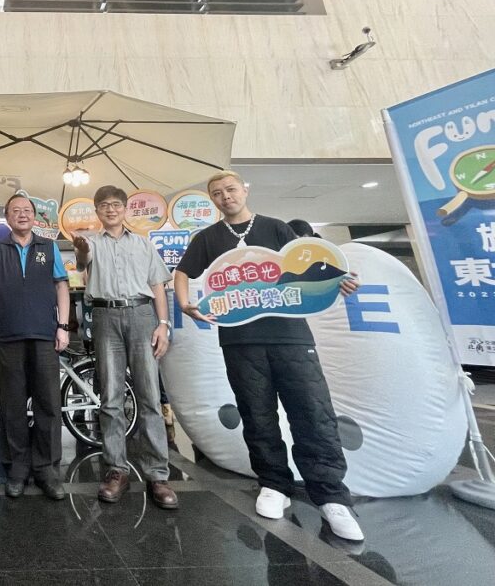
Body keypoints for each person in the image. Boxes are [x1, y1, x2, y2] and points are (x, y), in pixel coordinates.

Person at [174, 170, 364, 542]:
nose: (225, 196)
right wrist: (185, 303)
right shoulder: (208, 238)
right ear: (212, 200)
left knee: (312, 412)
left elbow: (311, 264)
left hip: (291, 337)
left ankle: (331, 496)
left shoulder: (276, 228)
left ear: (245, 190)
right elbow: (183, 272)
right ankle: (275, 484)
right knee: (256, 414)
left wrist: (338, 280)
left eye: (230, 189)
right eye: (217, 193)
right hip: (239, 340)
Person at [72, 185, 178, 508]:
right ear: (97, 211)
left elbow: (158, 287)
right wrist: (78, 249)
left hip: (142, 314)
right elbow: (81, 262)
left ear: (125, 209)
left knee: (148, 394)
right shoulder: (90, 243)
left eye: (116, 204)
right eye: (103, 205)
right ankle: (116, 469)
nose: (111, 210)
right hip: (105, 315)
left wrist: (163, 325)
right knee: (111, 397)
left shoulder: (144, 245)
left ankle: (158, 475)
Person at [0, 194, 71, 501]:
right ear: (7, 218)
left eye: (27, 211)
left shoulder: (48, 247)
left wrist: (63, 327)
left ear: (34, 217)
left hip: (44, 334)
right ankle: (17, 468)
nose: (22, 215)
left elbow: (61, 285)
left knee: (48, 403)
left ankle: (47, 469)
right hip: (10, 334)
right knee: (12, 405)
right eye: (15, 211)